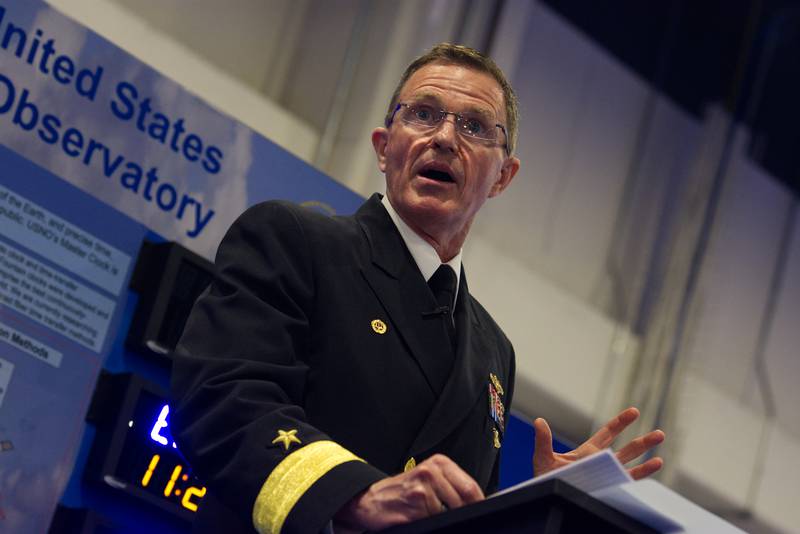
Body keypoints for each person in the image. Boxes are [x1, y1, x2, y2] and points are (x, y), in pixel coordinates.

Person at [171, 43, 665, 534]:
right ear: (384, 147)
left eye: (474, 126)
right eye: (423, 114)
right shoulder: (296, 241)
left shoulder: (495, 352)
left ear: (502, 177)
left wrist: (538, 508)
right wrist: (355, 493)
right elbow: (224, 396)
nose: (445, 138)